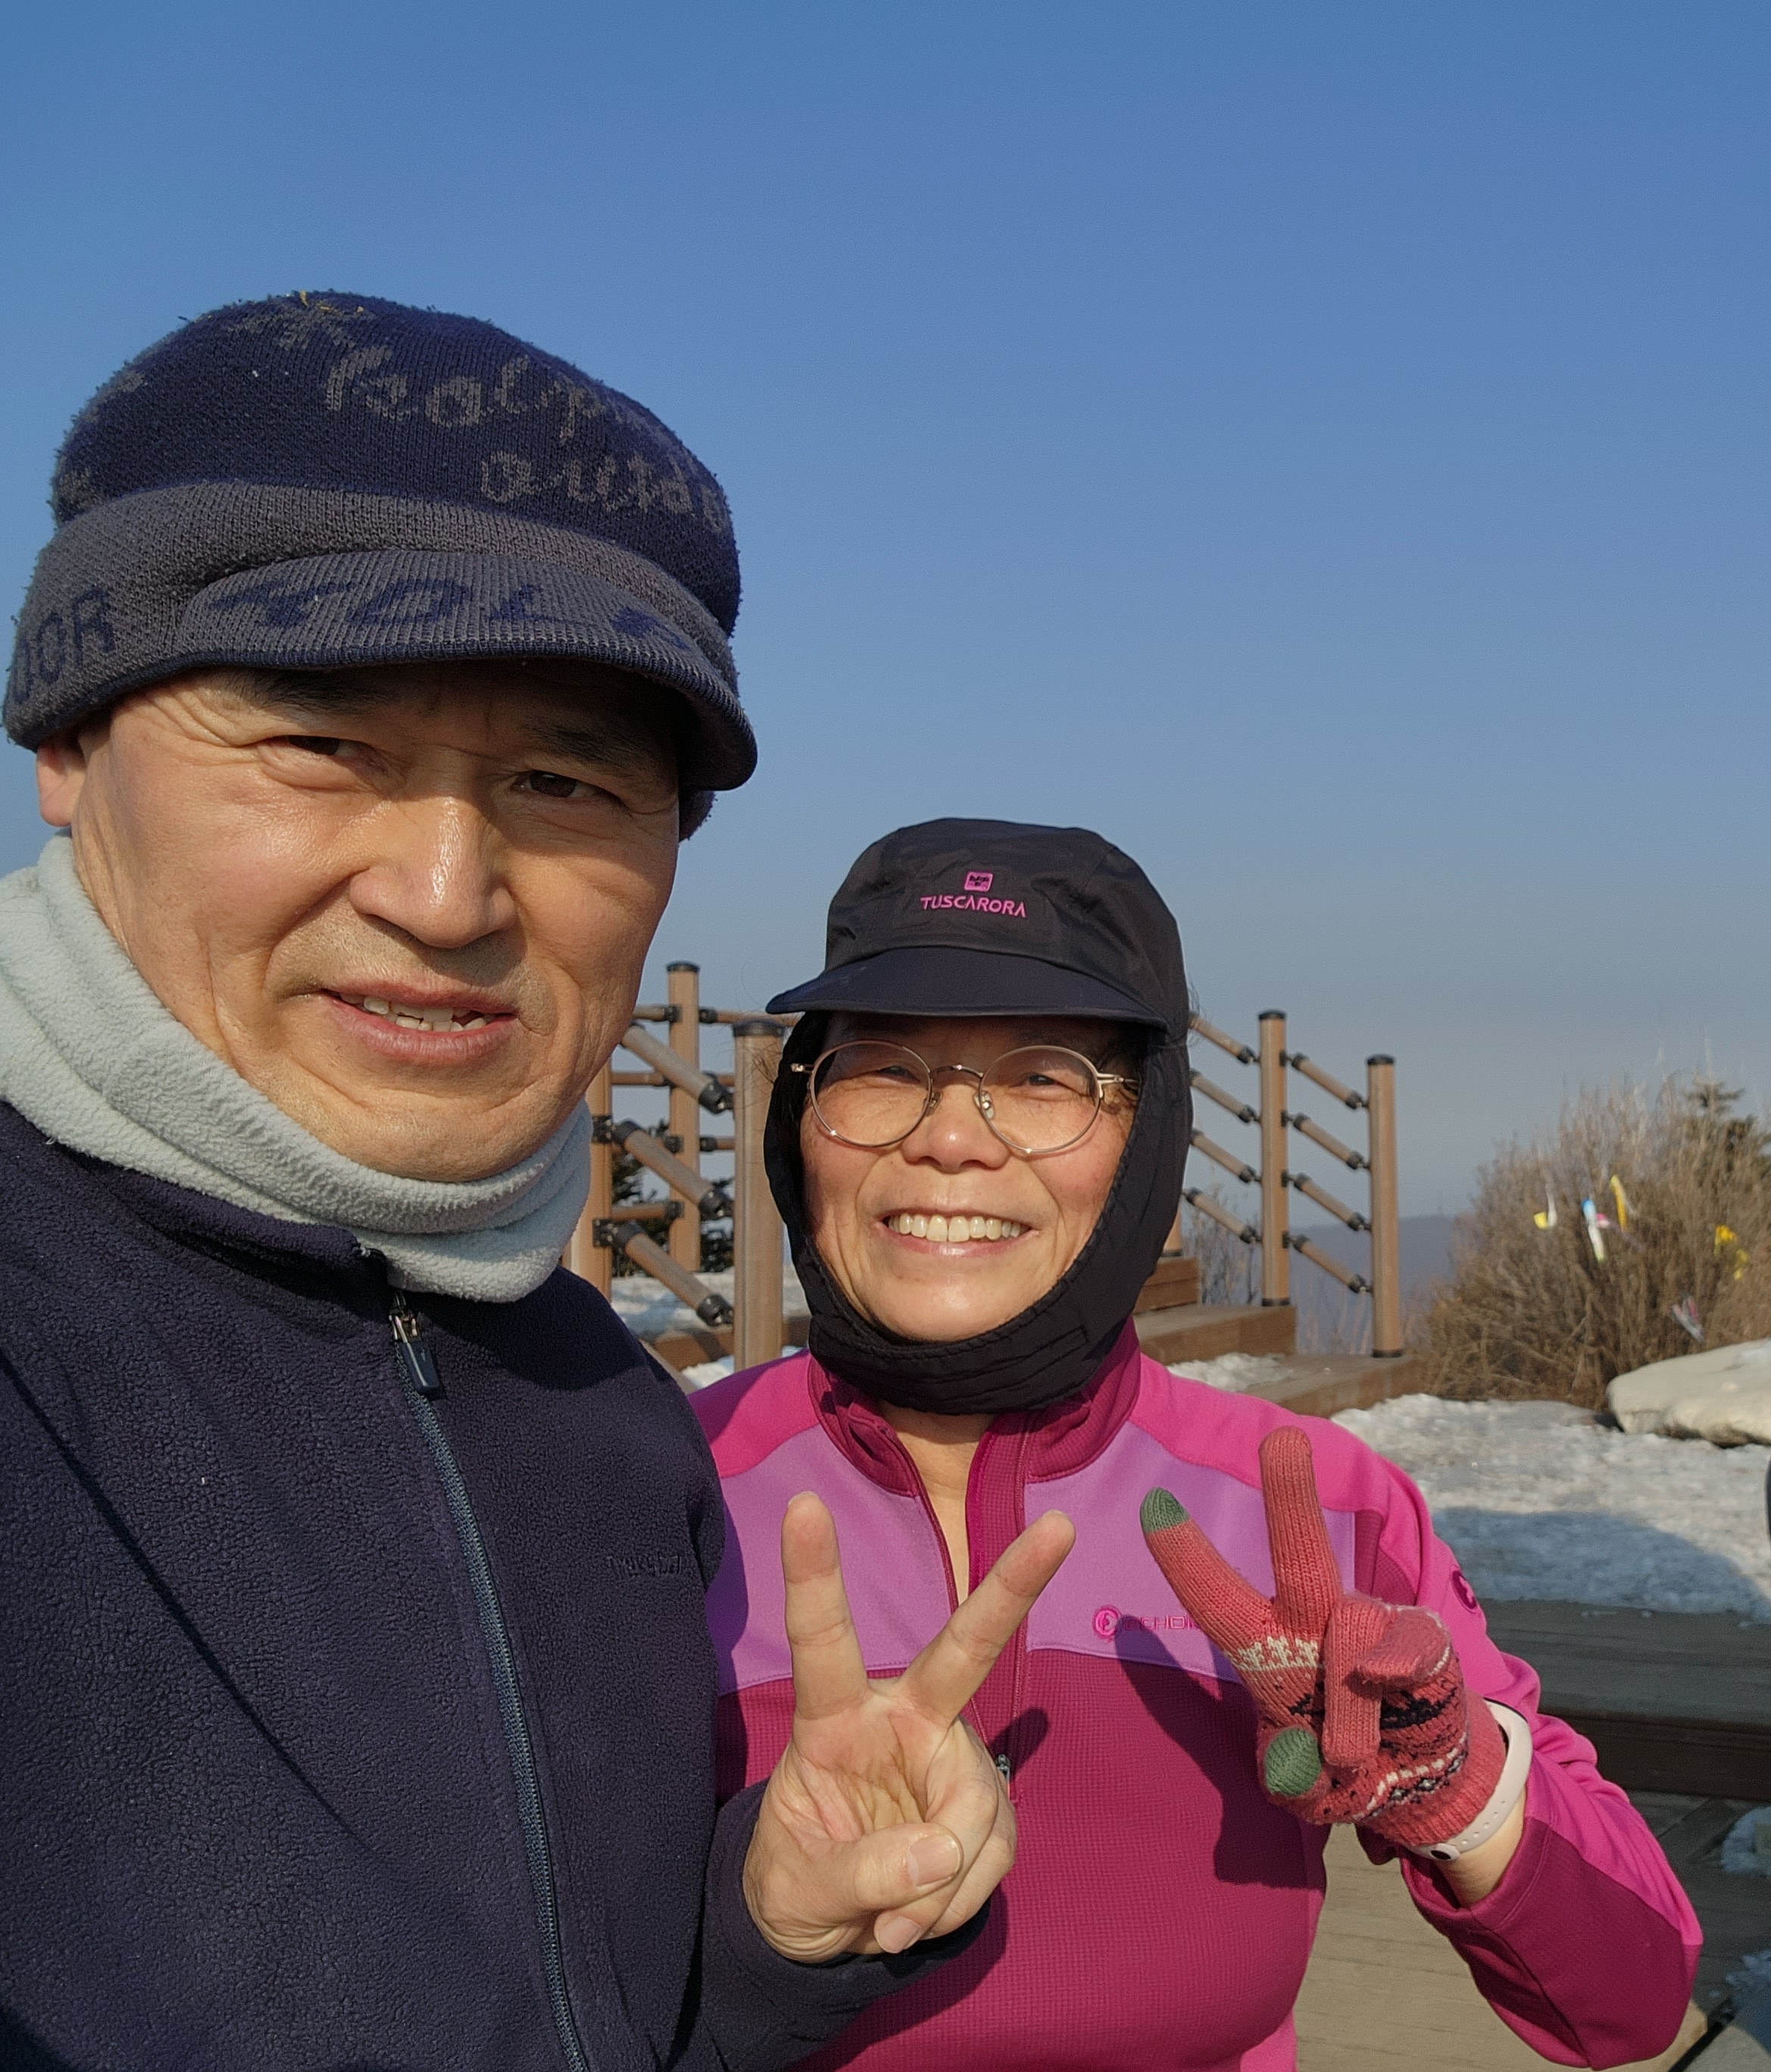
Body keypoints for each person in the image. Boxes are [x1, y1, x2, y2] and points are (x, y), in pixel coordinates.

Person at [0, 295, 1067, 2068]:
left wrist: (770, 1939)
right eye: (324, 746)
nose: (446, 894)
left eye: (563, 781)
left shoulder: (595, 1401)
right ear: (67, 741)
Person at [695, 819, 1701, 2071]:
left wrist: (1452, 1781)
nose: (950, 1137)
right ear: (801, 1115)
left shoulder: (1316, 1508)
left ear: (1151, 1131)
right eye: (882, 1067)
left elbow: (1630, 1998)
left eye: (1045, 1077)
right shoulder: (652, 1486)